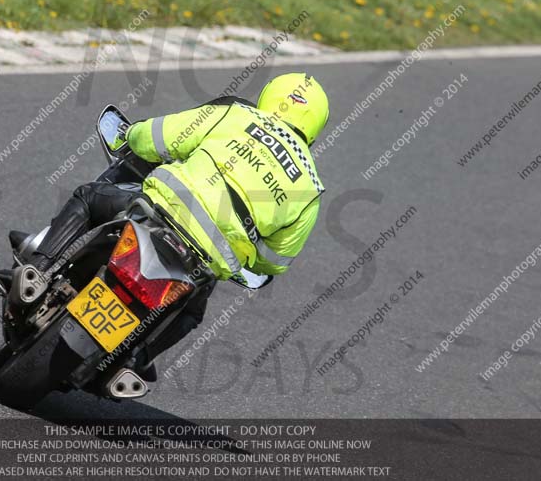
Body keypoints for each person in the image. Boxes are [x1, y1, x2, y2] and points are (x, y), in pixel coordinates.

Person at [32, 72, 328, 378]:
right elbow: (275, 261)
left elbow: (156, 138)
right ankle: (135, 362)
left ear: (269, 96)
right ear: (316, 127)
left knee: (88, 197)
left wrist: (130, 134)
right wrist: (248, 249)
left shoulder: (236, 114)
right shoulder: (311, 189)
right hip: (204, 261)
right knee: (191, 312)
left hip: (158, 210)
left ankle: (37, 272)